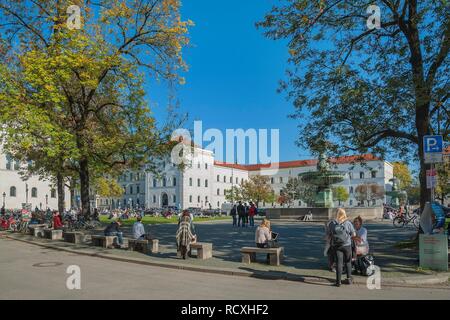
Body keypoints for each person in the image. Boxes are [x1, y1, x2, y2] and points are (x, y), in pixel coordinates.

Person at [328, 208, 356, 287]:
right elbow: (353, 235)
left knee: (339, 263)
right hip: (347, 245)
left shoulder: (332, 223)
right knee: (348, 262)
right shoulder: (348, 223)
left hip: (337, 246)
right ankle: (349, 279)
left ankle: (338, 282)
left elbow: (329, 235)